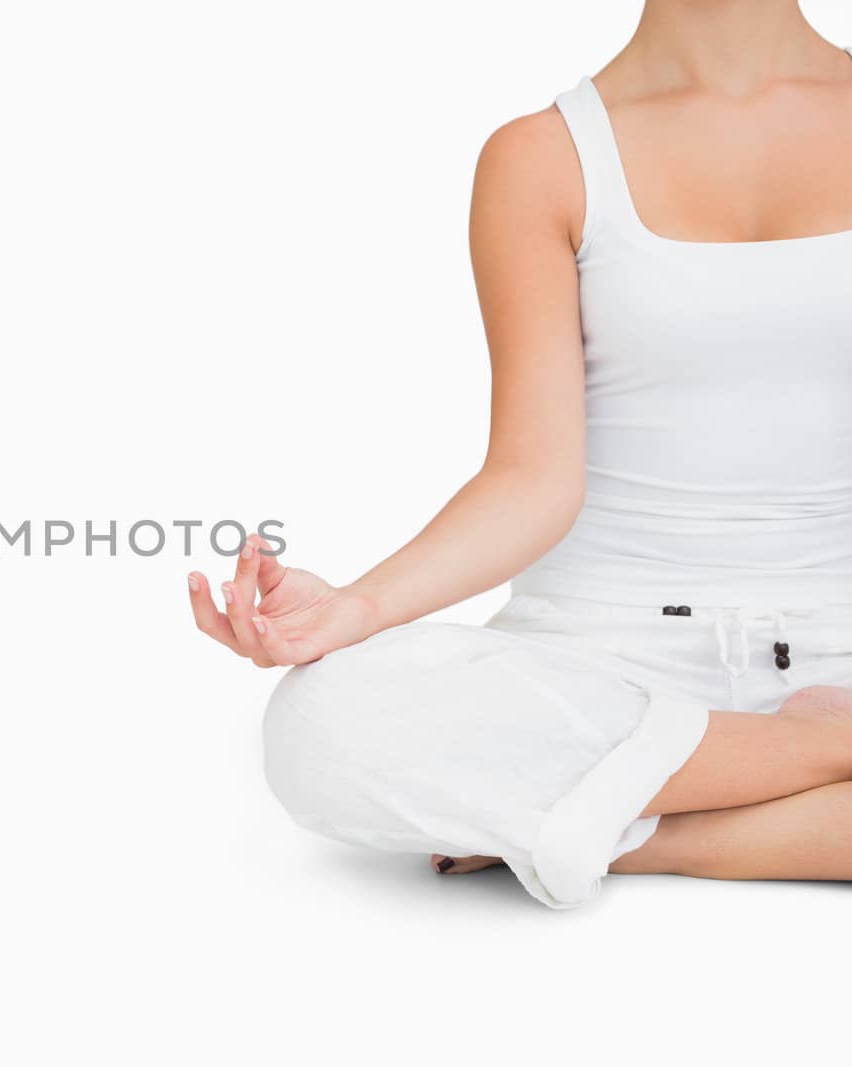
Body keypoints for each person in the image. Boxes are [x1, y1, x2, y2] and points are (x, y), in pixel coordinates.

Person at [186, 2, 852, 907]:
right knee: (318, 728)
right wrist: (356, 607)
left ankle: (606, 830)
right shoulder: (542, 157)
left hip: (837, 634)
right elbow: (533, 480)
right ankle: (816, 752)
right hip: (606, 654)